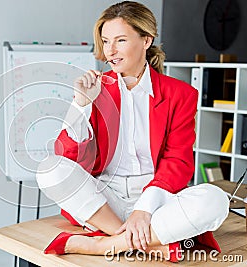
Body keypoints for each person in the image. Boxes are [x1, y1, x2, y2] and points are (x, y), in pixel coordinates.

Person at [36, 1, 229, 262]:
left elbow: (179, 162)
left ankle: (107, 244)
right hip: (106, 200)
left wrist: (144, 209)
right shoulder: (97, 89)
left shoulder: (180, 94)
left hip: (157, 198)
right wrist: (80, 104)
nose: (110, 51)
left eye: (120, 40)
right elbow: (67, 158)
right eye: (105, 41)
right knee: (48, 169)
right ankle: (132, 240)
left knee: (216, 201)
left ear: (146, 40)